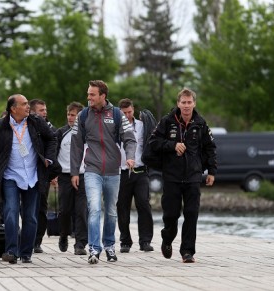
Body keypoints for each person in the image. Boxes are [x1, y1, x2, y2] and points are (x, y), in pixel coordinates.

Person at [71, 80, 136, 264]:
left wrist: (130, 157)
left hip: (113, 171)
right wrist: (75, 171)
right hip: (92, 169)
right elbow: (76, 145)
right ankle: (94, 248)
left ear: (102, 96)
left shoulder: (116, 114)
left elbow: (130, 139)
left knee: (110, 212)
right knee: (94, 209)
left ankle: (109, 246)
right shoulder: (83, 115)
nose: (88, 97)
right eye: (88, 93)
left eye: (92, 94)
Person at [149, 88, 217, 263]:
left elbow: (210, 148)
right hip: (172, 176)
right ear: (178, 103)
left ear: (194, 103)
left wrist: (212, 171)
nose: (186, 106)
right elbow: (153, 142)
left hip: (193, 176)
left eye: (189, 102)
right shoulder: (167, 121)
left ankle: (187, 251)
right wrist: (172, 145)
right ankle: (167, 238)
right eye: (183, 102)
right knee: (171, 215)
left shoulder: (201, 123)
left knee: (192, 213)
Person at [0, 94, 57, 264]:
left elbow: (52, 138)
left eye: (28, 104)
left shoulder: (36, 122)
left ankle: (26, 252)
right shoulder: (0, 127)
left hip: (32, 176)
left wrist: (48, 159)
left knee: (31, 217)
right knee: (11, 212)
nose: (28, 107)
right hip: (10, 176)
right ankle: (11, 251)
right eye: (24, 104)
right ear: (13, 108)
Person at [116, 98, 154, 253]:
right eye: (124, 113)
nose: (127, 115)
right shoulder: (115, 127)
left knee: (144, 205)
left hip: (140, 171)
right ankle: (125, 241)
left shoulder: (142, 126)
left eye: (129, 112)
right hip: (122, 172)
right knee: (122, 207)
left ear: (133, 110)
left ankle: (145, 241)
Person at [55, 101, 88, 255]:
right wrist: (53, 174)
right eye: (68, 114)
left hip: (83, 175)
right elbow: (54, 154)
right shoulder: (60, 133)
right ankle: (63, 234)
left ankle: (80, 243)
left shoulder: (87, 133)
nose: (70, 117)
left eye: (73, 115)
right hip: (64, 175)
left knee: (81, 210)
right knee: (64, 210)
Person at [29, 98, 57, 253]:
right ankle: (26, 237)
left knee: (41, 207)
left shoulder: (51, 129)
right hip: (27, 173)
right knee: (26, 207)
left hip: (43, 174)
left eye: (45, 110)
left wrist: (53, 171)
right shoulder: (25, 127)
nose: (45, 113)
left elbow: (54, 151)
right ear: (33, 112)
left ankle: (37, 241)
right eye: (41, 110)